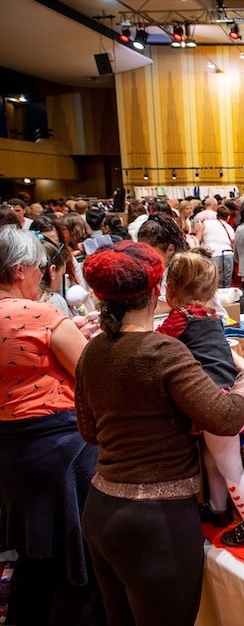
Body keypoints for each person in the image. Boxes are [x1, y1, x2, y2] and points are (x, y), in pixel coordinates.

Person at [76, 240, 244, 625]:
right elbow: (225, 417)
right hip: (156, 524)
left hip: (100, 511)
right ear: (156, 291)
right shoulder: (163, 351)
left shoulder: (92, 351)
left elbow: (89, 432)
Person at [0, 226, 100, 626]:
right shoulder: (40, 314)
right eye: (41, 268)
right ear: (21, 269)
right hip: (60, 445)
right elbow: (91, 375)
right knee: (76, 556)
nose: (44, 276)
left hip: (10, 448)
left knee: (35, 552)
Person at [157, 249, 244, 546]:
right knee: (213, 458)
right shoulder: (212, 316)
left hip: (214, 402)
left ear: (173, 288)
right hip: (230, 394)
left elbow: (158, 345)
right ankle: (218, 509)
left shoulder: (179, 318)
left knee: (230, 467)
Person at [195, 201, 236, 288]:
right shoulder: (229, 227)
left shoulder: (205, 223)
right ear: (228, 217)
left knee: (212, 284)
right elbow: (233, 242)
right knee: (226, 285)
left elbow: (197, 240)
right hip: (228, 254)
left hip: (212, 254)